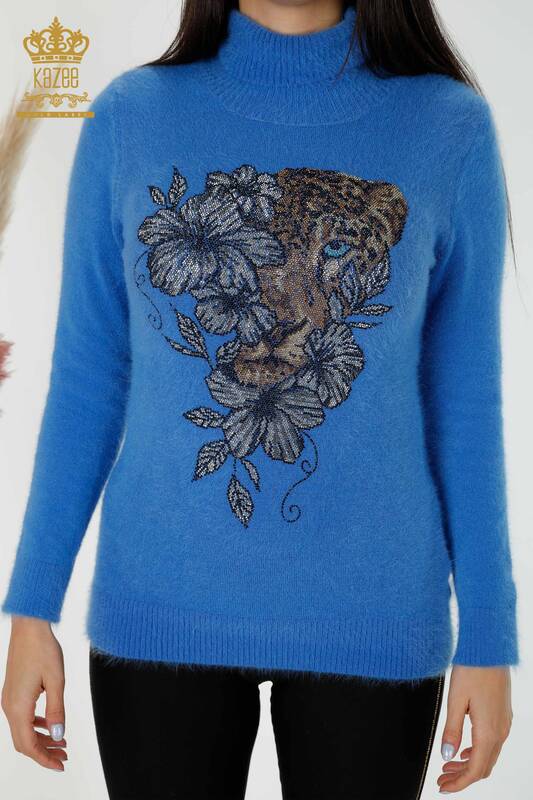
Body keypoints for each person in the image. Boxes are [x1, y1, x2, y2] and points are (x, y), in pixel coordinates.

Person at [1, 1, 519, 797]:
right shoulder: (132, 116)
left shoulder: (445, 126)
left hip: (375, 611)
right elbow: (88, 380)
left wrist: (487, 635)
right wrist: (32, 606)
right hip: (159, 606)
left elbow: (464, 402)